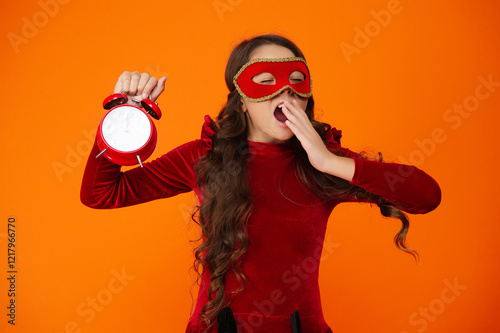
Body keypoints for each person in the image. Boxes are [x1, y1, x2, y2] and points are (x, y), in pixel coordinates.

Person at [80, 34, 441, 333]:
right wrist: (122, 118)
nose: (285, 93)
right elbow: (101, 194)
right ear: (241, 98)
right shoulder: (204, 156)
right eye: (266, 81)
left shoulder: (325, 163)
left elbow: (426, 195)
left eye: (296, 81)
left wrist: (330, 162)